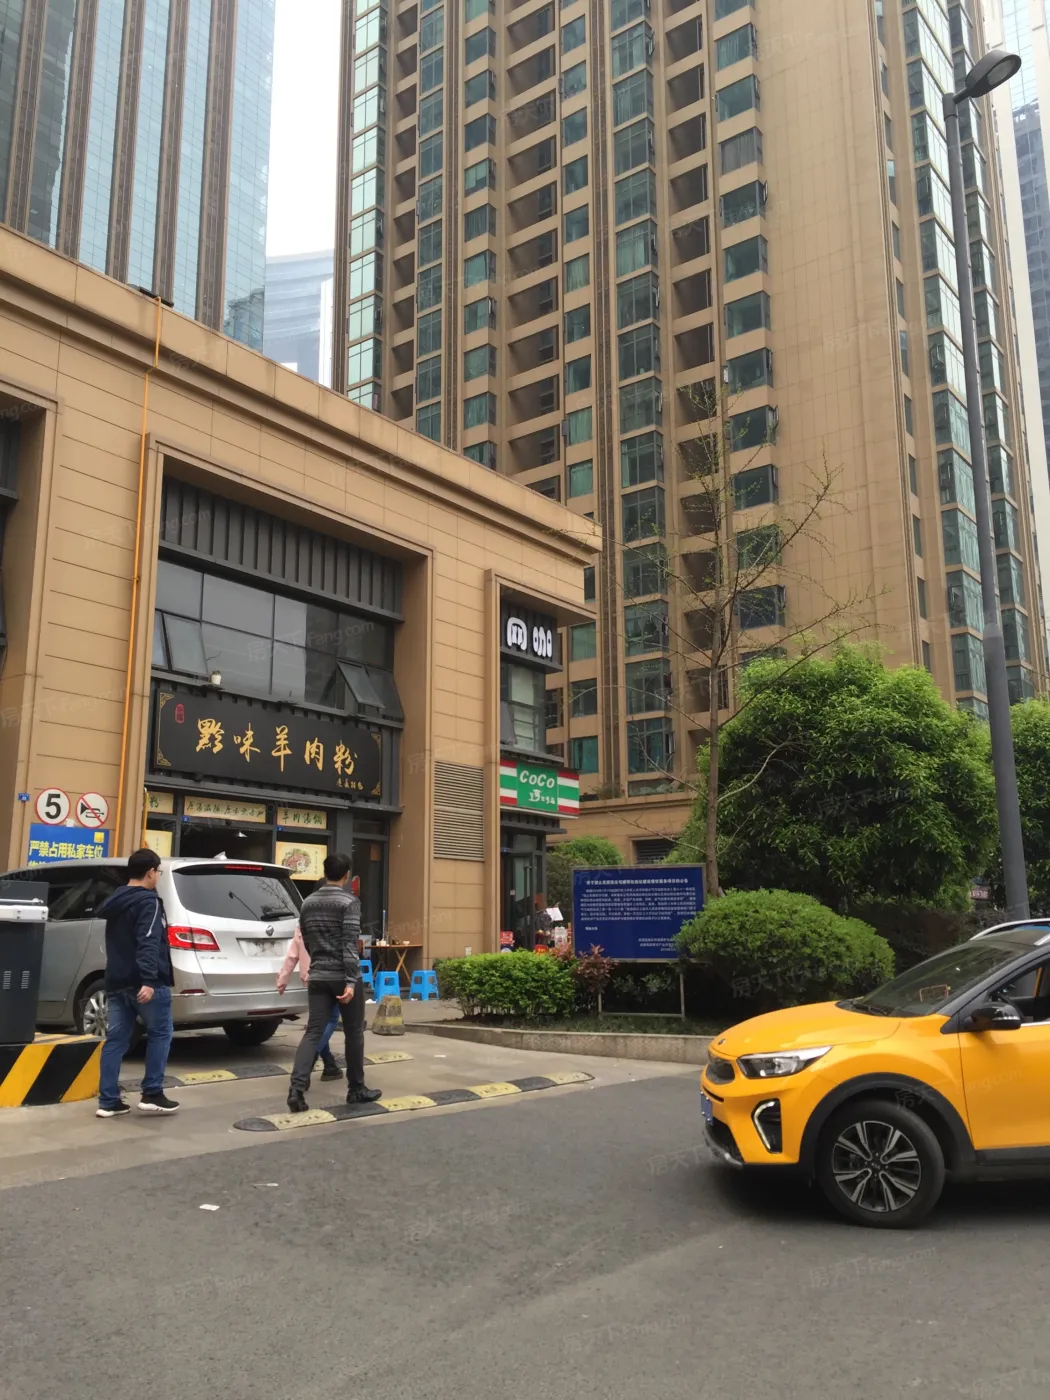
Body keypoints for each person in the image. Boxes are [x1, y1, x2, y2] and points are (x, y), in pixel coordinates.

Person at [287, 853, 381, 1113]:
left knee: (313, 1031)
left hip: (318, 975)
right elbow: (349, 943)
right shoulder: (349, 902)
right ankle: (356, 1089)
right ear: (347, 875)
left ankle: (296, 1089)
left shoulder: (307, 903)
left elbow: (307, 940)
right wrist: (350, 982)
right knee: (354, 1032)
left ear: (325, 872)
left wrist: (319, 962)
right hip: (342, 976)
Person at [96, 848, 179, 1117]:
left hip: (116, 980)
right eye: (158, 871)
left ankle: (108, 1101)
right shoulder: (148, 902)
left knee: (116, 1040)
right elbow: (148, 941)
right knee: (161, 1033)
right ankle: (152, 1093)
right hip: (144, 983)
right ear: (150, 872)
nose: (158, 876)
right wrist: (149, 980)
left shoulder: (116, 901)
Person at [277, 925, 342, 1080]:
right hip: (333, 975)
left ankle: (329, 1064)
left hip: (311, 978)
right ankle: (308, 1062)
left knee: (318, 1024)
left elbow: (292, 955)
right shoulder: (332, 920)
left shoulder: (302, 926)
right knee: (330, 1019)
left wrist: (283, 978)